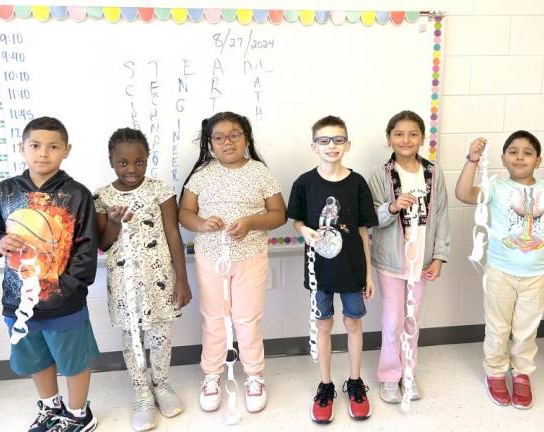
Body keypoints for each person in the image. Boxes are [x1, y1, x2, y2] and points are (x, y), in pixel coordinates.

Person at [0, 116, 100, 432]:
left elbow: (86, 250)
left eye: (53, 146)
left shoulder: (77, 194)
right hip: (17, 300)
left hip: (64, 301)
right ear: (22, 148)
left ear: (66, 151)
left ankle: (78, 412)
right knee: (35, 356)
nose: (43, 153)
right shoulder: (5, 191)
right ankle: (51, 407)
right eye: (35, 145)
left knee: (73, 359)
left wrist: (67, 287)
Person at [455, 130, 544, 410]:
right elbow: (463, 194)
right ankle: (495, 372)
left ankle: (521, 374)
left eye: (528, 152)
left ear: (539, 160)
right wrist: (472, 159)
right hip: (500, 273)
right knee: (498, 327)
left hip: (537, 277)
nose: (520, 157)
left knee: (526, 329)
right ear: (503, 158)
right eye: (513, 152)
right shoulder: (496, 187)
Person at [178, 112, 286, 414]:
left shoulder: (260, 173)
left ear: (246, 138)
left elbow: (279, 213)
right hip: (211, 258)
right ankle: (211, 375)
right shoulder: (201, 175)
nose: (227, 142)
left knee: (247, 318)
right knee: (214, 317)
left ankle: (254, 376)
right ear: (210, 143)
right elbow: (184, 212)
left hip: (250, 256)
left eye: (235, 134)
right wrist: (200, 224)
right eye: (219, 137)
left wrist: (251, 221)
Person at [94, 128, 191, 431]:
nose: (132, 169)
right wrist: (112, 222)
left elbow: (173, 234)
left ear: (147, 159)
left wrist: (182, 280)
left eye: (139, 162)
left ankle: (161, 385)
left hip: (159, 277)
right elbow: (104, 243)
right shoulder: (102, 197)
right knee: (131, 337)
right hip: (123, 283)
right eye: (123, 163)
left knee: (161, 335)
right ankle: (141, 392)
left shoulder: (161, 190)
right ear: (112, 162)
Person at [287, 115, 378, 424]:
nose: (331, 146)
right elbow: (297, 220)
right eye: (324, 140)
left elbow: (365, 232)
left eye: (338, 139)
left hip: (352, 271)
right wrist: (302, 230)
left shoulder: (357, 182)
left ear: (348, 144)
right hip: (319, 272)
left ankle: (354, 382)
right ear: (314, 146)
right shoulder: (304, 183)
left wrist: (368, 274)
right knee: (323, 326)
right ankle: (325, 385)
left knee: (353, 324)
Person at [367, 110, 451, 403]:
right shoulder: (379, 174)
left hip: (422, 261)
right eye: (399, 134)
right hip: (391, 261)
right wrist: (391, 207)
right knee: (393, 321)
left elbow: (441, 215)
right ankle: (389, 376)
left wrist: (439, 256)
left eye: (413, 133)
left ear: (422, 138)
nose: (406, 139)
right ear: (389, 138)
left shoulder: (433, 172)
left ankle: (408, 374)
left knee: (412, 320)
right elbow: (371, 218)